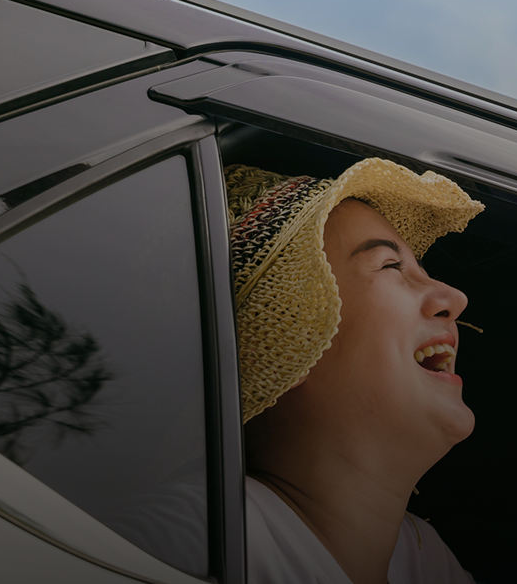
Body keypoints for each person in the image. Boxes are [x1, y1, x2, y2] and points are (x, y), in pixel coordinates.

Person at [108, 158, 485, 584]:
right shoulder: (183, 543)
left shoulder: (424, 558)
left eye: (423, 271)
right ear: (294, 340)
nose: (454, 297)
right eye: (390, 266)